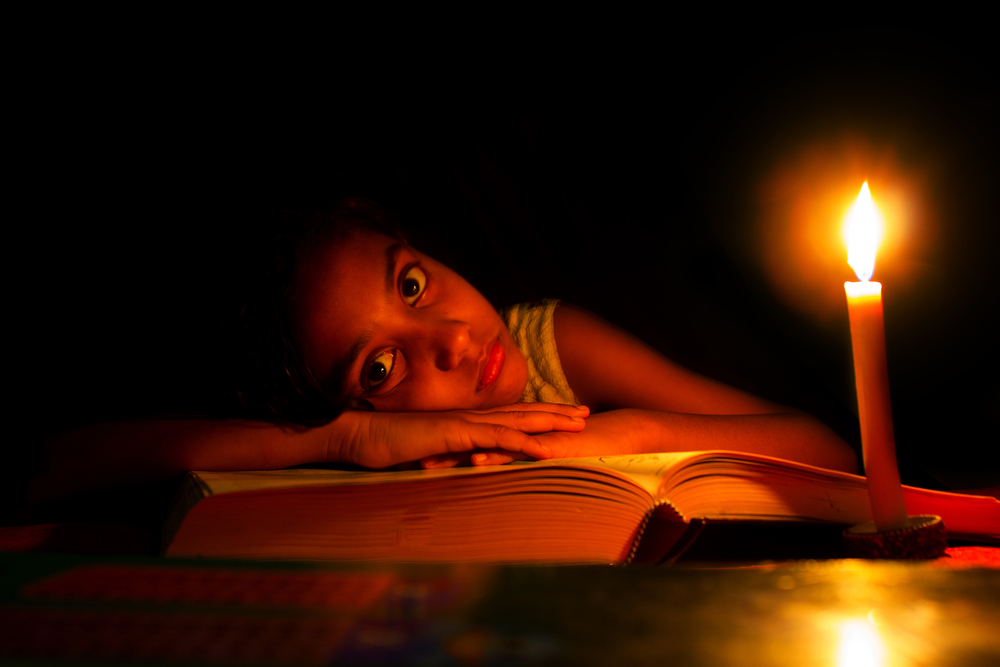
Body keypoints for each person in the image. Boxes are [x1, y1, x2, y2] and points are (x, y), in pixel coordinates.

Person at [28, 200, 857, 505]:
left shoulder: (549, 343)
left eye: (414, 285)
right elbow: (47, 468)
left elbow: (831, 453)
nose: (456, 342)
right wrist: (346, 441)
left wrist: (626, 433)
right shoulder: (350, 446)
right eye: (381, 368)